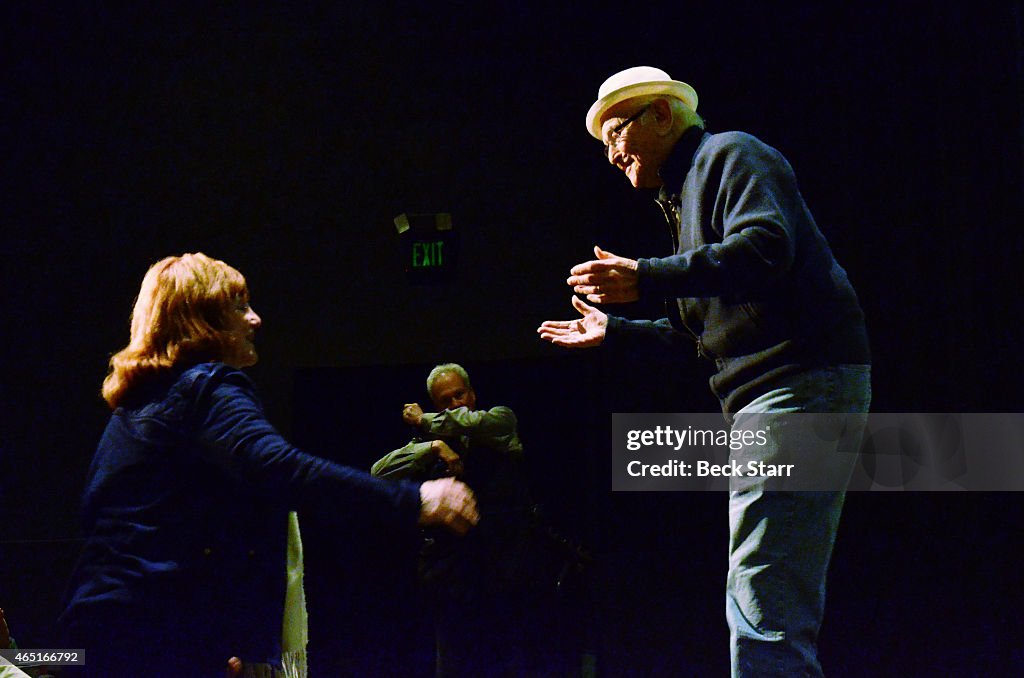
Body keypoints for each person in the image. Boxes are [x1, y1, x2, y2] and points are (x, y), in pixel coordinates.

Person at [538, 66, 871, 677]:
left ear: (662, 116)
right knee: (759, 589)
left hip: (797, 381)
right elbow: (704, 336)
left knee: (764, 595)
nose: (610, 154)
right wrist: (618, 330)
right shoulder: (683, 196)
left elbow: (767, 246)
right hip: (771, 394)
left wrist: (649, 276)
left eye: (616, 132)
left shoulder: (730, 154)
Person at [59, 253, 478, 677]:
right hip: (155, 633)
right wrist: (414, 499)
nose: (256, 320)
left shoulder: (133, 410)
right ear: (203, 320)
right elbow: (279, 469)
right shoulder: (208, 386)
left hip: (99, 631)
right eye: (239, 307)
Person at [371, 363, 540, 677]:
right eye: (444, 401)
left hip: (505, 571)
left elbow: (469, 423)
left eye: (459, 395)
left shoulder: (500, 421)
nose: (454, 405)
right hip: (454, 581)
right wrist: (433, 446)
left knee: (507, 661)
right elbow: (379, 471)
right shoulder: (435, 443)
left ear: (472, 395)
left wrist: (425, 420)